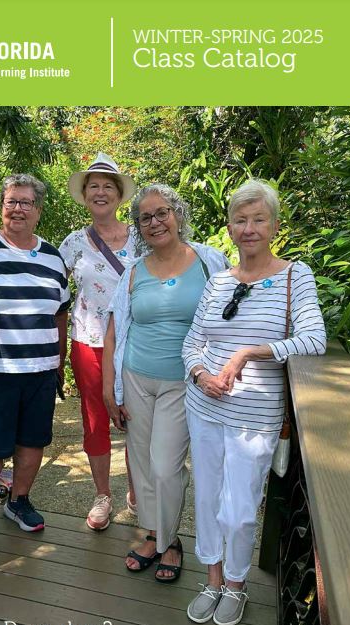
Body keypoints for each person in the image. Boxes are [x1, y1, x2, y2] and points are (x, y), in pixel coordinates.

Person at [182, 179, 326, 625]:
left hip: (254, 415)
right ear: (230, 227)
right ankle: (212, 577)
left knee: (241, 509)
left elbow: (314, 339)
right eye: (241, 220)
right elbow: (192, 342)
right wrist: (202, 374)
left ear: (274, 225)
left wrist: (249, 352)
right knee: (206, 499)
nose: (249, 228)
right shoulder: (219, 280)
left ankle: (237, 584)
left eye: (258, 219)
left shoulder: (293, 276)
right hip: (204, 405)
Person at [103, 184, 228, 581]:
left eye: (162, 213)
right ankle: (156, 535)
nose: (155, 222)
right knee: (140, 464)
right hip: (137, 377)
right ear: (138, 227)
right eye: (146, 217)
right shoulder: (134, 269)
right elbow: (115, 328)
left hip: (184, 381)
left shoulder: (209, 261)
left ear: (177, 215)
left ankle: (170, 540)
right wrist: (110, 388)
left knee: (164, 465)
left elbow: (232, 317)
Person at [0, 173, 70, 544]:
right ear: (2, 207)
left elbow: (60, 312)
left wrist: (60, 360)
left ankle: (18, 500)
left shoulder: (54, 257)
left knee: (33, 441)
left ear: (38, 211)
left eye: (26, 202)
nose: (18, 209)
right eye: (12, 201)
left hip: (40, 370)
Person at [59, 153, 138, 531]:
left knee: (139, 413)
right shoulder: (73, 242)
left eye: (109, 185)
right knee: (95, 417)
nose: (101, 192)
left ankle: (139, 490)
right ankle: (103, 494)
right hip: (88, 340)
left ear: (120, 195)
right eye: (94, 186)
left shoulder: (143, 234)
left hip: (137, 340)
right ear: (85, 194)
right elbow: (53, 290)